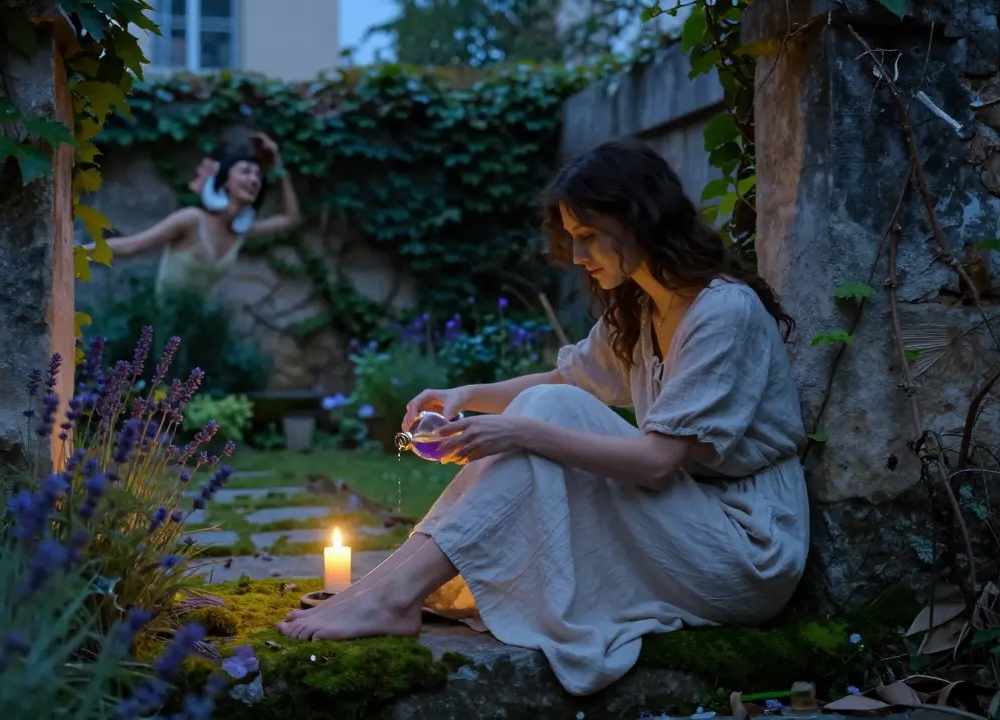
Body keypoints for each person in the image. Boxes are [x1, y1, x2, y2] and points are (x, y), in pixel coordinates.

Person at [276, 136, 811, 697]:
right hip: (686, 516)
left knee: (544, 417)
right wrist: (466, 394)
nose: (578, 257)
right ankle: (385, 590)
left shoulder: (723, 312)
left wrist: (520, 432)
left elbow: (655, 463)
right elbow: (566, 381)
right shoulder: (642, 306)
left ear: (638, 220)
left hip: (746, 549)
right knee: (549, 405)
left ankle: (392, 595)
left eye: (586, 237)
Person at [84, 131, 301, 298]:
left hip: (196, 332)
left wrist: (278, 165)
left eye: (258, 176)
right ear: (225, 181)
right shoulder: (191, 219)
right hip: (160, 326)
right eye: (245, 171)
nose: (254, 180)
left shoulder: (240, 231)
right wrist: (78, 253)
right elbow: (134, 245)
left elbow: (290, 218)